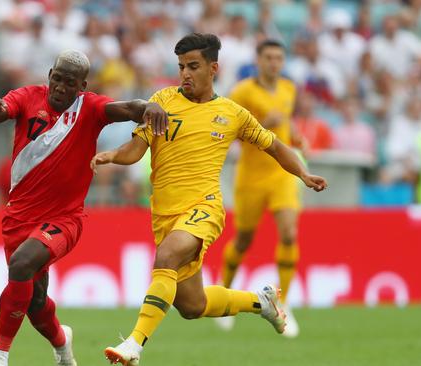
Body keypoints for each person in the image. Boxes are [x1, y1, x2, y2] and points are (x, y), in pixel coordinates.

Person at [92, 33, 327, 365]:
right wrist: (112, 154)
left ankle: (134, 344)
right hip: (164, 214)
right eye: (180, 67)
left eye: (193, 66)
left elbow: (274, 145)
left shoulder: (231, 113)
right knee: (192, 306)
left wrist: (302, 173)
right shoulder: (162, 101)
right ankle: (262, 302)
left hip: (204, 208)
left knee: (167, 256)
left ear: (213, 68)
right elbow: (136, 149)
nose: (185, 73)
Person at [0, 49, 167, 366]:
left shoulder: (91, 109)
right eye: (57, 79)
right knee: (35, 301)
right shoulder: (27, 97)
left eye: (69, 82)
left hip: (64, 219)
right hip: (18, 218)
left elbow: (127, 108)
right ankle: (62, 346)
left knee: (20, 265)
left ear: (81, 86)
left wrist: (148, 107)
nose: (60, 87)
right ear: (49, 76)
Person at [216, 39, 303, 337]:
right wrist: (265, 123)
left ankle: (285, 303)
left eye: (279, 58)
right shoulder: (242, 92)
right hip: (251, 178)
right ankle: (224, 294)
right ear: (258, 60)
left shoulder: (289, 89)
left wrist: (296, 136)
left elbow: (288, 126)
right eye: (268, 57)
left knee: (290, 233)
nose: (274, 63)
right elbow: (228, 132)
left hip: (281, 175)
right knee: (243, 240)